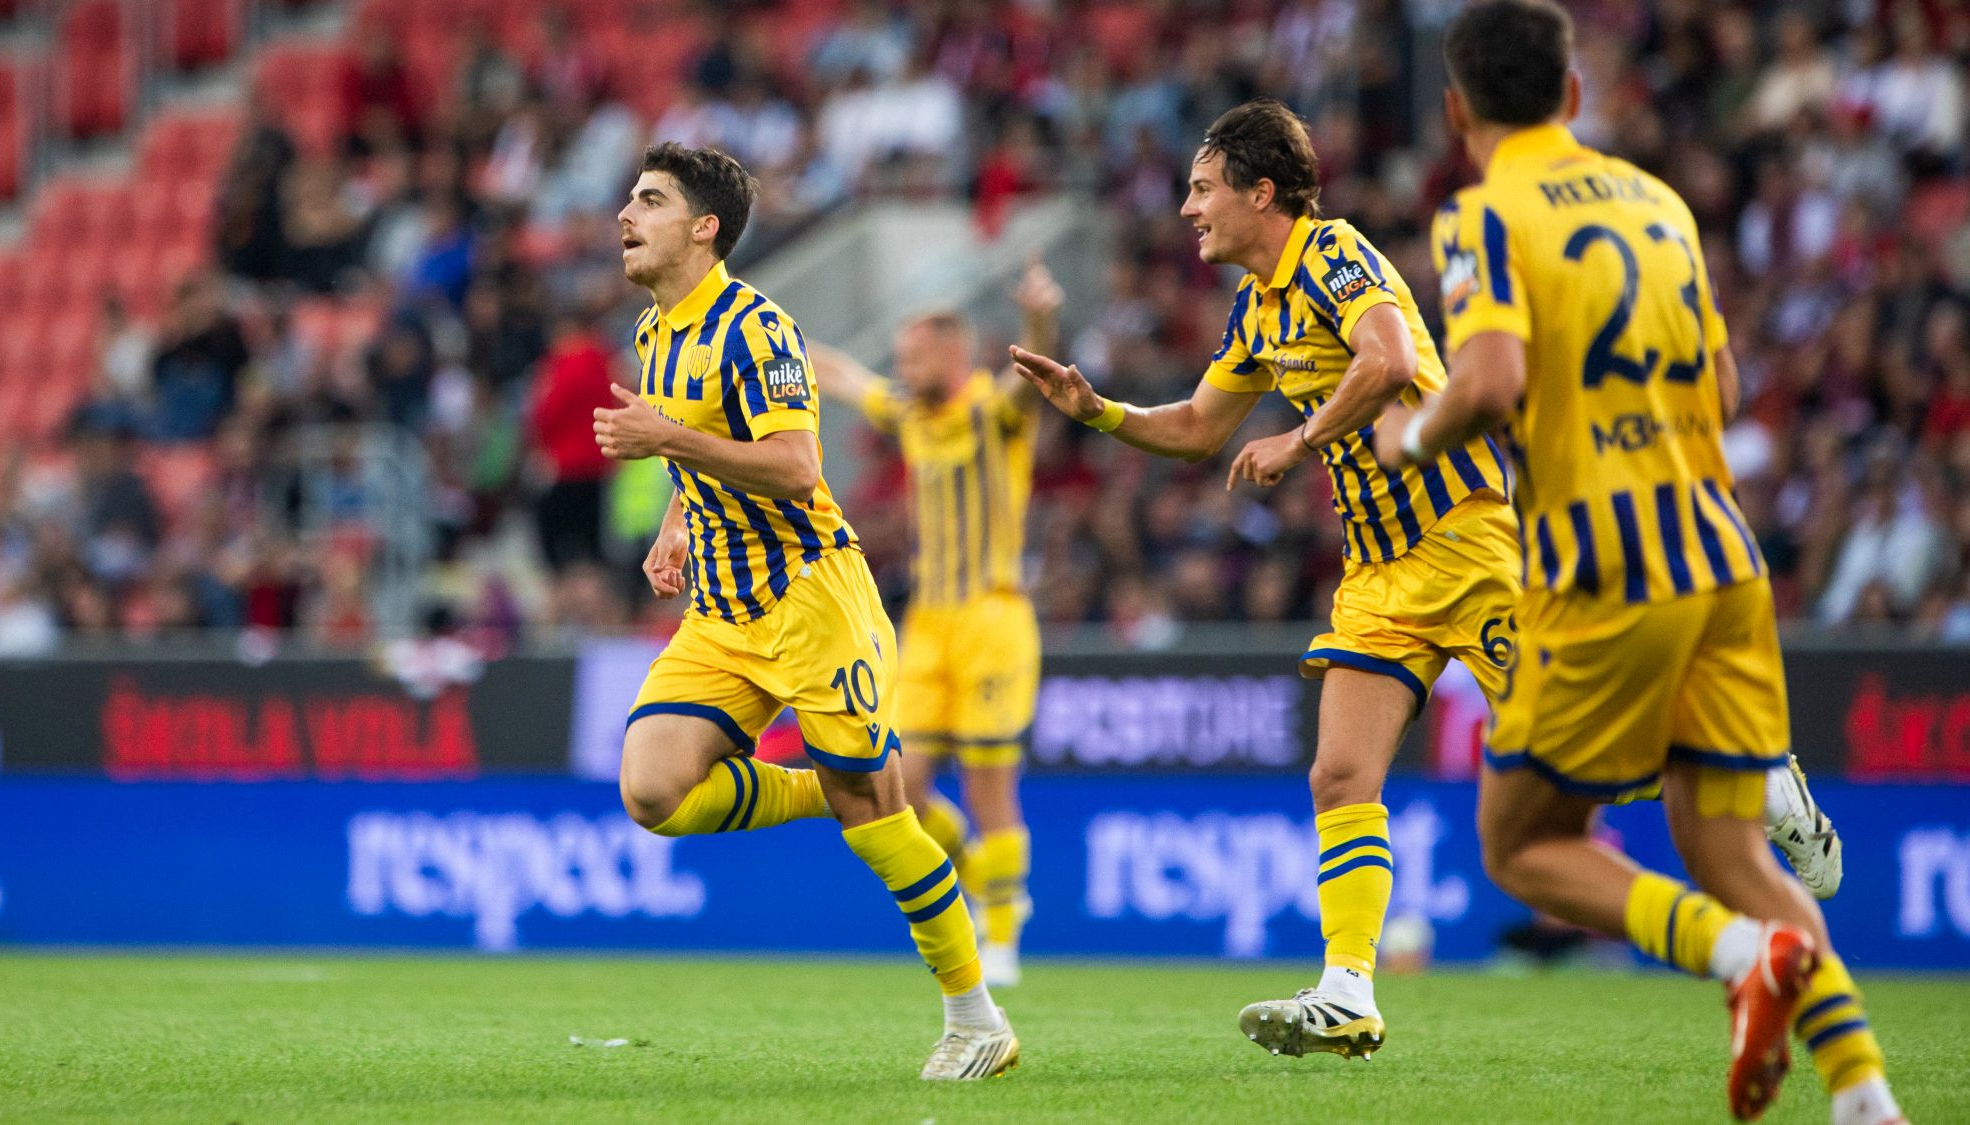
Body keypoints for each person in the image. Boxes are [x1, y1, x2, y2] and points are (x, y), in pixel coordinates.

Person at [1369, 5, 1901, 1123]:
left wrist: (1408, 436)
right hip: (1721, 556)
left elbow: (1490, 380)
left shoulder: (1482, 215)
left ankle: (1738, 954)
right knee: (1729, 851)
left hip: (1604, 565)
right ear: (1572, 96)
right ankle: (1864, 1098)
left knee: (1522, 844)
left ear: (1456, 111)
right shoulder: (1659, 203)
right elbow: (1723, 385)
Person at [1012, 97, 1523, 1062]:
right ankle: (1348, 991)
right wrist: (1097, 410)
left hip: (1464, 538)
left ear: (1262, 193)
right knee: (1339, 773)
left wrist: (1300, 437)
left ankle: (1752, 774)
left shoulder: (1333, 253)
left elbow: (1390, 360)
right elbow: (1197, 428)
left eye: (1203, 188)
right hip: (1379, 572)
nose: (1187, 209)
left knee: (1587, 753)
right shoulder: (1256, 308)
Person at [592, 142, 1018, 1081]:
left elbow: (796, 466)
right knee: (652, 790)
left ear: (704, 228)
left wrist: (667, 437)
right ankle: (832, 786)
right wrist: (675, 521)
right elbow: (706, 444)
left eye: (650, 200)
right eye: (630, 198)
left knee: (881, 825)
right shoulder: (657, 332)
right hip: (724, 611)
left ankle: (977, 1018)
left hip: (813, 598)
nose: (626, 214)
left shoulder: (756, 327)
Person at [810, 264, 1062, 988]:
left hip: (993, 618)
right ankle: (985, 878)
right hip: (927, 623)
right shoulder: (910, 412)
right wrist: (774, 342)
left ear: (955, 354)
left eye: (915, 356)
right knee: (901, 785)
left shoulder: (992, 411)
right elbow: (845, 376)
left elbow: (1032, 379)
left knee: (988, 785)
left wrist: (1040, 320)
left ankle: (1003, 940)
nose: (904, 367)